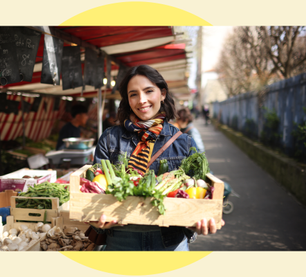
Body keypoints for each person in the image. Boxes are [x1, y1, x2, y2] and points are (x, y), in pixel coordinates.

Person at [90, 64, 224, 251]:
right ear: (128, 100)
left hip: (170, 241)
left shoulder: (183, 142)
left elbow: (201, 190)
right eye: (133, 94)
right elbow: (95, 189)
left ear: (162, 93)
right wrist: (97, 218)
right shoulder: (110, 139)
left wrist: (198, 219)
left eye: (148, 91)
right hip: (121, 238)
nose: (142, 100)